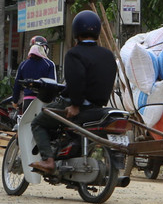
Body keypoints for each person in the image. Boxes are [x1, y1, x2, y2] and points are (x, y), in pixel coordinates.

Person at [30, 11, 117, 174]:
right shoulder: (107, 55)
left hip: (78, 106)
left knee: (38, 123)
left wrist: (75, 104)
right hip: (97, 107)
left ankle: (48, 160)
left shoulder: (74, 54)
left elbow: (77, 79)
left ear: (76, 31)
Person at [12, 35, 56, 106]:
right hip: (43, 102)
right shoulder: (49, 64)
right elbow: (52, 86)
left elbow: (17, 84)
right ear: (44, 48)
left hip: (27, 101)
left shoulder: (23, 64)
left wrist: (15, 101)